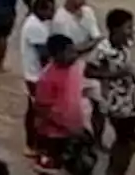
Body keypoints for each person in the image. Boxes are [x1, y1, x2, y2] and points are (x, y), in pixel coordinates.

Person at [89, 8, 135, 175]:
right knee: (127, 143)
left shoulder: (127, 44)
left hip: (128, 101)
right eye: (128, 27)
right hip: (115, 104)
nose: (131, 31)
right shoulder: (103, 50)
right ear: (115, 29)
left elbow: (128, 66)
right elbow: (88, 71)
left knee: (127, 143)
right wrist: (113, 75)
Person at [52, 0, 103, 142]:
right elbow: (70, 49)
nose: (83, 1)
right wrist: (90, 44)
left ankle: (97, 139)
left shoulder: (87, 12)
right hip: (71, 70)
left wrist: (87, 44)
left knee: (99, 104)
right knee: (75, 109)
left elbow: (96, 37)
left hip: (88, 66)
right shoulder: (60, 19)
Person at [33, 35, 88, 173]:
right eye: (69, 52)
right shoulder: (46, 78)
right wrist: (69, 127)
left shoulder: (76, 68)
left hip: (72, 131)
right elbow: (43, 110)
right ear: (57, 54)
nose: (74, 55)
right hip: (53, 136)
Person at [19, 0, 56, 160]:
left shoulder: (37, 23)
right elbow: (44, 56)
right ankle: (33, 144)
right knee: (38, 113)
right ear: (41, 9)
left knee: (34, 111)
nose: (53, 12)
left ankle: (32, 143)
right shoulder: (35, 27)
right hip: (36, 77)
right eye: (50, 9)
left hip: (33, 74)